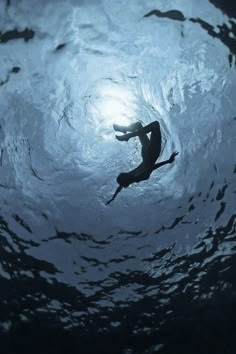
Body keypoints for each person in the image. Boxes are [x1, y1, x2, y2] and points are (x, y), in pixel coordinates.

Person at [106, 121, 178, 205]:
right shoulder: (135, 176)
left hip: (152, 154)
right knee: (138, 125)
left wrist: (113, 197)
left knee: (155, 125)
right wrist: (113, 198)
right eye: (125, 174)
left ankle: (127, 135)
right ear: (125, 178)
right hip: (145, 154)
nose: (127, 172)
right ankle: (125, 130)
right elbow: (151, 168)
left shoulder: (132, 177)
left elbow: (120, 186)